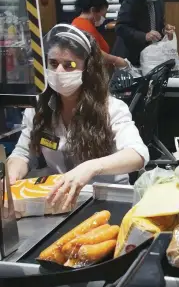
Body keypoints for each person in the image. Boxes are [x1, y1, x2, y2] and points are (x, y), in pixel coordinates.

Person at [7, 24, 149, 210]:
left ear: (87, 70)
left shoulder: (111, 108)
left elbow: (138, 154)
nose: (59, 72)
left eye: (69, 65)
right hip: (58, 203)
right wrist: (12, 173)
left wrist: (91, 167)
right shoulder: (38, 109)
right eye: (53, 63)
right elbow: (23, 154)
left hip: (106, 202)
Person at [112, 0, 176, 67]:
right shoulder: (131, 0)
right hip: (131, 56)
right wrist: (144, 36)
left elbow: (158, 24)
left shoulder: (159, 1)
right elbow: (120, 28)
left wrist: (165, 29)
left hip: (151, 56)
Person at [72, 0, 128, 68]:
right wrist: (116, 60)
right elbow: (94, 53)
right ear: (93, 10)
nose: (104, 18)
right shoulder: (82, 26)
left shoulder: (82, 23)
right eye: (103, 14)